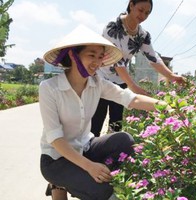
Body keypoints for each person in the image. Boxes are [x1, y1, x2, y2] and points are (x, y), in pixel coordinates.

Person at [39, 25, 168, 200]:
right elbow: (55, 139)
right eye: (91, 55)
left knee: (124, 140)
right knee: (103, 190)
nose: (97, 62)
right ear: (72, 55)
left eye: (100, 57)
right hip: (56, 159)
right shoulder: (49, 88)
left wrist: (168, 107)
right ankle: (65, 180)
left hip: (85, 148)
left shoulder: (97, 83)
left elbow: (131, 99)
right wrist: (89, 167)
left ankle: (81, 180)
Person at [91, 0, 186, 136]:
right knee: (96, 122)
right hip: (100, 78)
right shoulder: (112, 27)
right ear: (131, 5)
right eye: (141, 10)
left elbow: (153, 58)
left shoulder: (142, 35)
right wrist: (133, 86)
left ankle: (110, 155)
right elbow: (118, 61)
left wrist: (171, 76)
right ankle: (87, 155)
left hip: (120, 81)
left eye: (147, 13)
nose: (143, 15)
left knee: (116, 124)